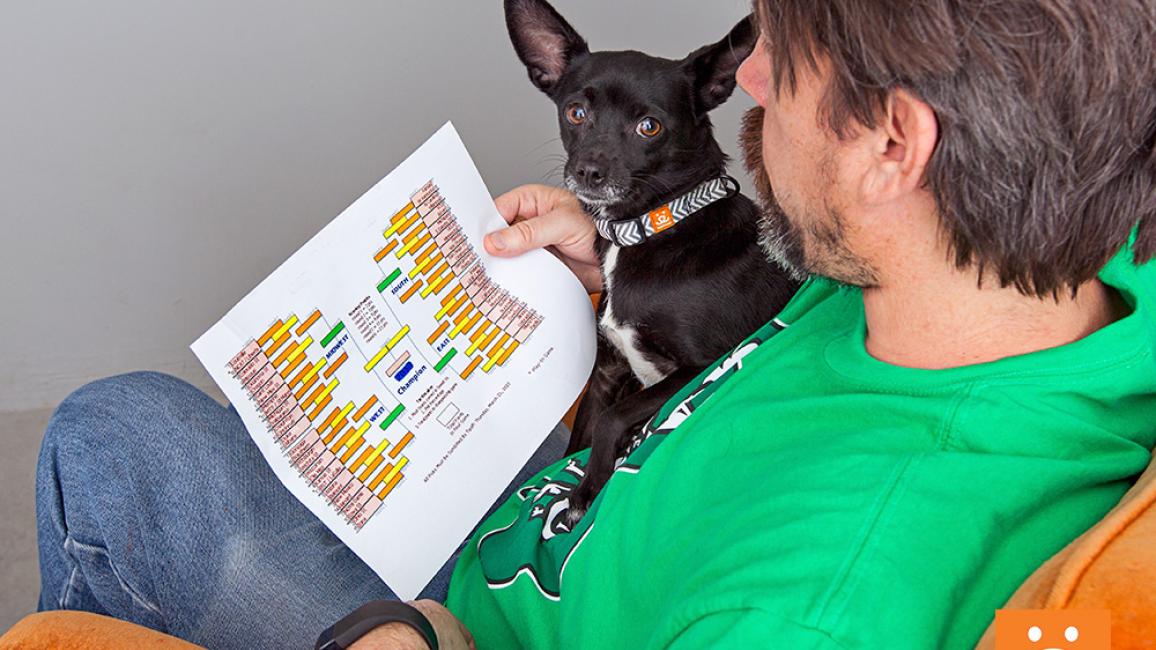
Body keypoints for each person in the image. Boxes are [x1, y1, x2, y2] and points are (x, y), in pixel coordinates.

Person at [35, 0, 1156, 648]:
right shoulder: (1031, 266)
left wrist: (403, 638)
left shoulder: (811, 606)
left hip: (464, 626)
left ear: (890, 147)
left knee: (115, 437)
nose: (748, 71)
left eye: (788, 55)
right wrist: (620, 256)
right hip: (577, 488)